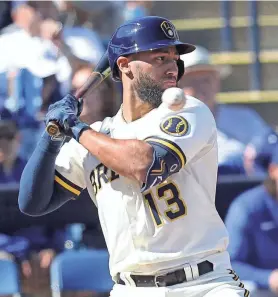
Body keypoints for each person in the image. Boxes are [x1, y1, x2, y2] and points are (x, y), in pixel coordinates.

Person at [19, 16, 249, 296]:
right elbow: (32, 202)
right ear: (125, 65)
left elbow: (143, 164)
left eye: (174, 58)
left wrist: (76, 128)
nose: (172, 67)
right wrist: (52, 135)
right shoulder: (98, 134)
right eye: (160, 57)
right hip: (131, 287)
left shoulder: (188, 111)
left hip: (203, 283)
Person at [178, 45, 276, 176]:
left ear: (217, 82)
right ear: (178, 86)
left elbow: (269, 154)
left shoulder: (245, 118)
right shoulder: (169, 123)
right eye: (193, 81)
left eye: (206, 80)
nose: (202, 87)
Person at [225, 140, 278, 296]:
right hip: (262, 291)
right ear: (273, 170)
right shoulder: (246, 207)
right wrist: (268, 278)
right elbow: (229, 264)